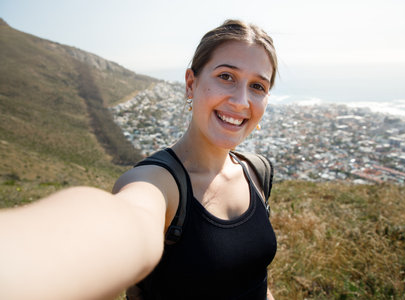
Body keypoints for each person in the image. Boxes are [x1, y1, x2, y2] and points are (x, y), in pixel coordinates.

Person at [0, 19, 278, 300]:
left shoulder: (256, 172)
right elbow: (124, 223)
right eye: (226, 77)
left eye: (257, 86)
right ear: (191, 84)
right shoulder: (158, 184)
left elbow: (254, 278)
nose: (242, 101)